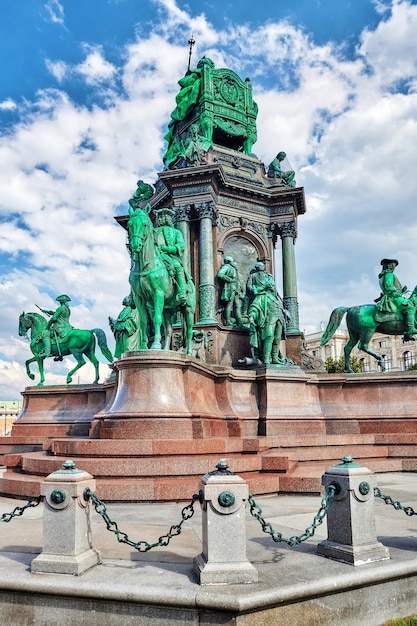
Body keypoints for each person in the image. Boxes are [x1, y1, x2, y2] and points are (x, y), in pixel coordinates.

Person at [247, 262, 291, 364]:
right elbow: (254, 306)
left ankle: (275, 357)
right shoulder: (262, 296)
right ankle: (267, 358)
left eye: (273, 284)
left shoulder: (277, 299)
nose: (273, 286)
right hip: (269, 319)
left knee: (277, 338)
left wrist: (285, 312)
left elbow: (281, 307)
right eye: (271, 284)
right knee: (269, 336)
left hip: (279, 318)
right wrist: (251, 316)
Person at [375, 258, 417, 341]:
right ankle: (411, 329)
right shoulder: (389, 274)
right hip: (392, 298)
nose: (394, 267)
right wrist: (395, 292)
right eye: (394, 265)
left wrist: (401, 291)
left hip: (391, 296)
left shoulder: (383, 275)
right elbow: (388, 285)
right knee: (410, 307)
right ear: (390, 266)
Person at [154, 208, 188, 304]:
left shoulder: (176, 232)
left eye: (162, 217)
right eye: (159, 218)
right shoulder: (154, 231)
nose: (159, 220)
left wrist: (167, 249)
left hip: (172, 257)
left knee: (177, 267)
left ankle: (182, 292)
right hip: (157, 256)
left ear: (167, 219)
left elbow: (181, 246)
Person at [217, 256, 244, 327]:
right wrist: (230, 280)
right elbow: (220, 274)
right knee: (229, 305)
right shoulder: (227, 267)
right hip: (230, 288)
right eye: (232, 261)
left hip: (235, 289)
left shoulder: (233, 268)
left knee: (237, 305)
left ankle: (240, 322)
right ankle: (228, 321)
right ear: (229, 261)